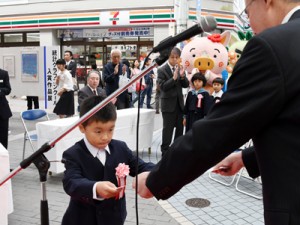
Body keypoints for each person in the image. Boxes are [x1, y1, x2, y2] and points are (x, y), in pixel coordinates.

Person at [133, 1, 300, 223]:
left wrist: (156, 179)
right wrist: (246, 158)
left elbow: (220, 128)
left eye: (247, 12)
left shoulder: (272, 46)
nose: (249, 22)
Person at [61, 95, 154, 225]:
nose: (105, 137)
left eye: (111, 130)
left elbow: (141, 166)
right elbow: (71, 182)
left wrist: (153, 173)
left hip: (114, 219)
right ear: (82, 127)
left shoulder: (120, 148)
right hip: (83, 220)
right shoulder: (73, 154)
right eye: (98, 131)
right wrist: (95, 187)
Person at [157, 47, 189, 156]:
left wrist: (183, 76)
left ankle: (176, 150)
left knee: (180, 129)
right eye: (172, 57)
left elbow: (186, 84)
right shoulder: (162, 69)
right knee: (168, 130)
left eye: (176, 57)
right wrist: (174, 78)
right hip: (168, 105)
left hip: (179, 104)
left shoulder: (179, 68)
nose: (174, 59)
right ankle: (165, 151)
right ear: (168, 57)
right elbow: (162, 87)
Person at [0, 68, 12, 149]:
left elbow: (8, 89)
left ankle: (3, 157)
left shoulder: (3, 73)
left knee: (3, 136)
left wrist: (0, 91)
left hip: (2, 110)